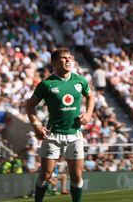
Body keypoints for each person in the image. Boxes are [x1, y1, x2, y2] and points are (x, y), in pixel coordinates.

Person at [25, 48, 95, 202]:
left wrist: (88, 114)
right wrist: (36, 124)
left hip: (75, 134)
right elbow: (29, 105)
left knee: (76, 176)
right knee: (45, 174)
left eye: (70, 57)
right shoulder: (46, 84)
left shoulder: (80, 80)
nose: (68, 60)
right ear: (54, 62)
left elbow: (91, 96)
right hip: (53, 134)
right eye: (64, 58)